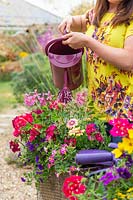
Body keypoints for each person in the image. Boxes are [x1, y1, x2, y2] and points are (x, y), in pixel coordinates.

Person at [58, 0, 133, 121]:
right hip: (96, 109)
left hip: (124, 112)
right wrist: (69, 19)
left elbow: (129, 60)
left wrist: (88, 42)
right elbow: (81, 21)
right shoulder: (97, 14)